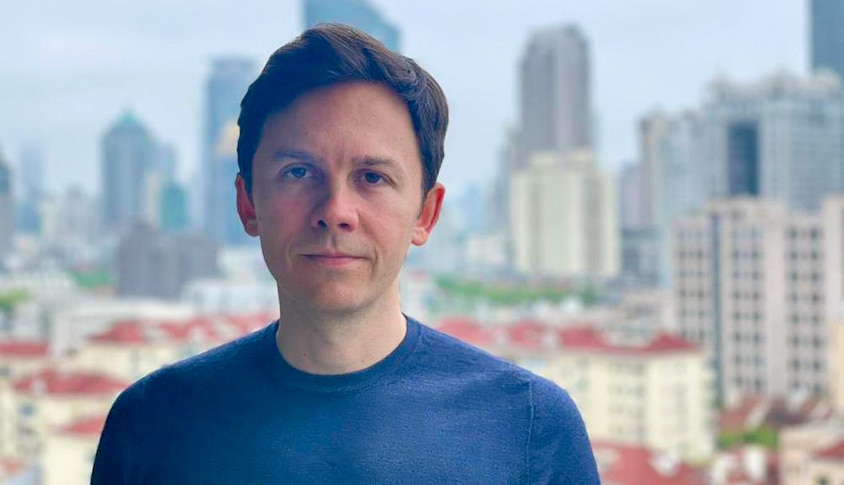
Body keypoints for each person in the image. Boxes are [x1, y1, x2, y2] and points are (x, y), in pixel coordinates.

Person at [91, 23, 599, 484]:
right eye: (298, 172)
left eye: (372, 177)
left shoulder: (530, 427)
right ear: (247, 204)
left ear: (426, 213)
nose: (335, 211)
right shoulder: (152, 424)